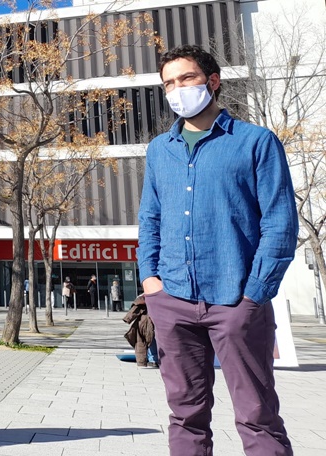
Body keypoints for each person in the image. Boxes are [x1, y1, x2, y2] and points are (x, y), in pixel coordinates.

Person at [138, 45, 298, 455]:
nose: (177, 89)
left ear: (212, 81)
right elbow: (151, 219)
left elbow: (279, 222)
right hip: (172, 299)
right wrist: (150, 281)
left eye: (186, 78)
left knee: (257, 417)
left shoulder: (256, 142)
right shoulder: (159, 150)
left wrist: (255, 293)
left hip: (236, 301)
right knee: (185, 416)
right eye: (169, 83)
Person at [122, 294, 157, 368]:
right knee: (151, 340)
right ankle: (154, 359)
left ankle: (151, 360)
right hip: (152, 322)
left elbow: (134, 310)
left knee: (143, 341)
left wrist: (127, 319)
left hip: (144, 322)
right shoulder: (158, 295)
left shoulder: (143, 298)